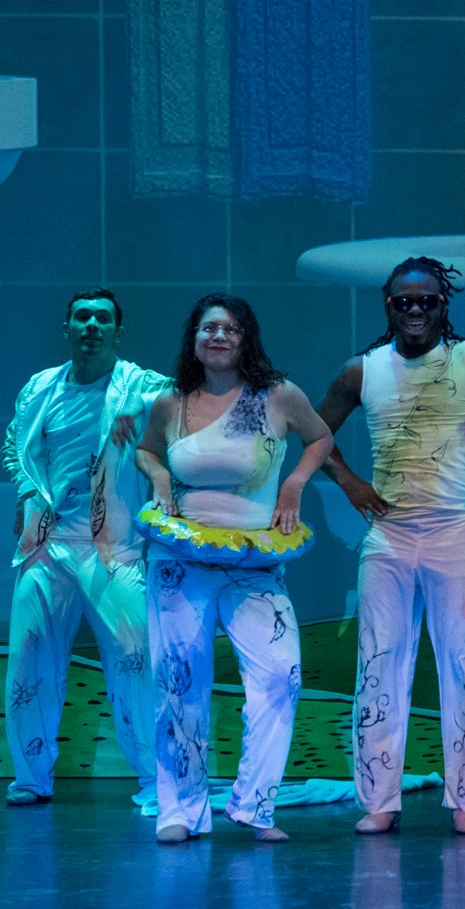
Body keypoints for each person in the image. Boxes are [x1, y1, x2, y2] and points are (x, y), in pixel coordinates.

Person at [317, 257, 465, 836]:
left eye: (427, 300)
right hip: (390, 536)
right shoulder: (363, 370)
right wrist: (349, 482)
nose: (416, 309)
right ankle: (379, 800)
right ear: (389, 305)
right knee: (379, 663)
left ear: (443, 303)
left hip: (457, 533)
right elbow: (314, 432)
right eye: (405, 301)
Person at [135, 294, 332, 843]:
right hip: (180, 561)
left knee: (280, 676)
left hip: (253, 562)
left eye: (230, 328)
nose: (218, 336)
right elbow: (146, 451)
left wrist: (295, 483)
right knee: (179, 681)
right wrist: (159, 476)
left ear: (247, 338)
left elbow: (320, 437)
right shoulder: (170, 401)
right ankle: (180, 810)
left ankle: (254, 806)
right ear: (193, 338)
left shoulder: (278, 395)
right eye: (208, 328)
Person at [0, 288, 169, 806]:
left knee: (136, 657)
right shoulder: (40, 389)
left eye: (102, 318)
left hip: (113, 549)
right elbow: (16, 446)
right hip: (47, 547)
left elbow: (187, 416)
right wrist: (26, 493)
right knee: (28, 659)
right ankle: (31, 778)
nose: (91, 325)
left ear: (118, 331)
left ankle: (156, 781)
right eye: (82, 317)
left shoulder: (142, 386)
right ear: (67, 328)